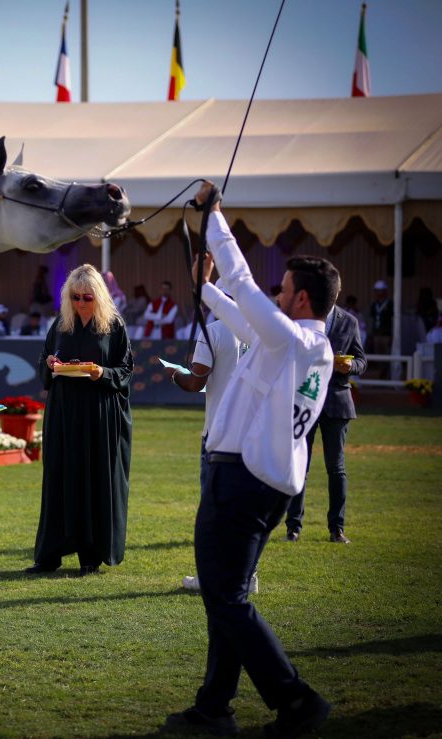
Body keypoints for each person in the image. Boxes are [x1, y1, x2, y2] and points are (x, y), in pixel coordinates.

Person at [161, 182, 338, 738]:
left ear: (301, 299)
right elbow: (242, 314)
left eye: (282, 288)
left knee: (226, 598)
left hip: (242, 483)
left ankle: (296, 701)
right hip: (263, 484)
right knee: (226, 595)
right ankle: (214, 708)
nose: (275, 292)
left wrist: (215, 215)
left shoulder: (290, 340)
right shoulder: (302, 344)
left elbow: (242, 282)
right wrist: (206, 292)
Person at [25, 264, 133, 577]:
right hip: (63, 413)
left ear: (98, 295)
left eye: (87, 296)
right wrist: (50, 364)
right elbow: (45, 365)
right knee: (59, 477)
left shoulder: (113, 326)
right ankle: (49, 555)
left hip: (99, 413)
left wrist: (102, 373)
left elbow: (125, 370)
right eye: (75, 297)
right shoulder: (60, 324)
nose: (81, 303)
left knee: (94, 478)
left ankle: (91, 556)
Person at [169, 274, 255, 594]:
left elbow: (196, 383)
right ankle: (248, 575)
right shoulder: (260, 331)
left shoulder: (213, 331)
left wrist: (175, 374)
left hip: (219, 434)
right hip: (253, 434)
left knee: (213, 513)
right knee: (246, 512)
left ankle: (211, 577)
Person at [284, 298, 367, 545]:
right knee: (300, 465)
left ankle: (336, 529)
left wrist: (350, 365)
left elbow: (362, 362)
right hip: (305, 398)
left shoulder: (349, 321)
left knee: (336, 468)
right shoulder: (301, 318)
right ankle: (293, 527)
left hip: (337, 402)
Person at [368, 279, 393, 378]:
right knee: (378, 356)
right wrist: (371, 334)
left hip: (386, 334)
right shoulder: (374, 304)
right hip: (377, 334)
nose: (378, 293)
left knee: (387, 356)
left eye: (381, 290)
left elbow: (393, 320)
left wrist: (392, 335)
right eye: (377, 291)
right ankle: (382, 375)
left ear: (385, 291)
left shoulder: (390, 304)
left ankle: (385, 376)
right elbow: (371, 320)